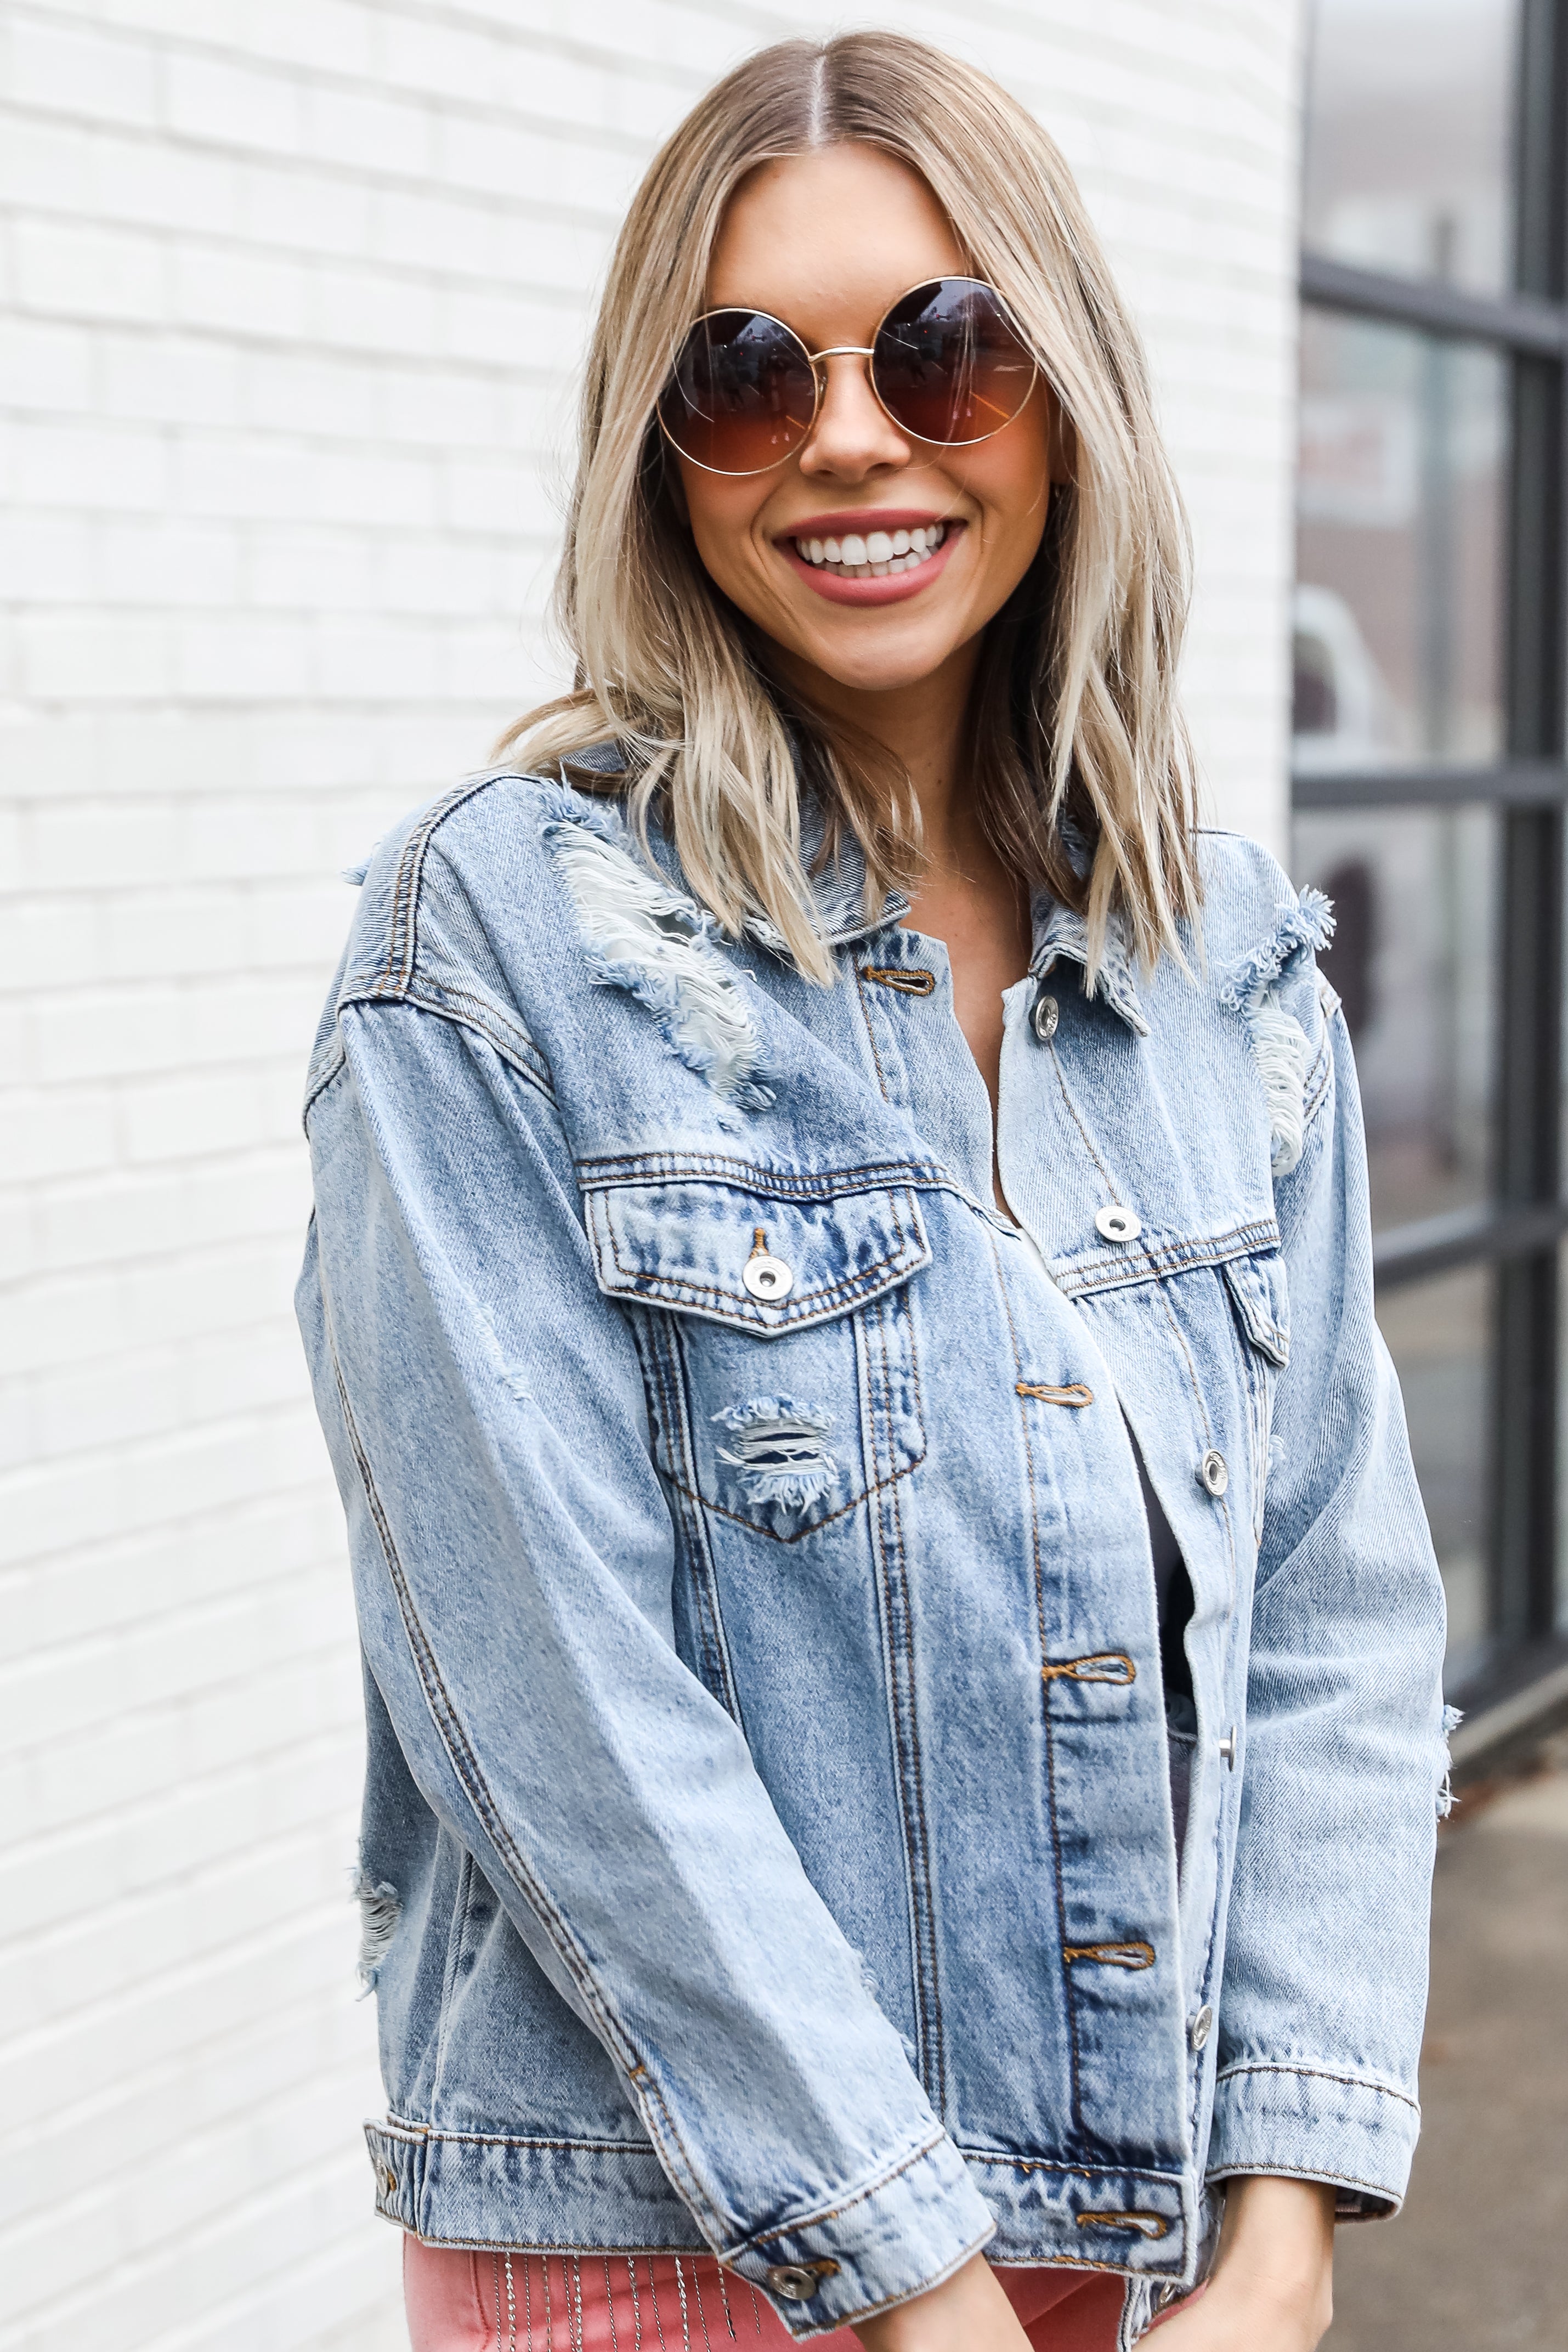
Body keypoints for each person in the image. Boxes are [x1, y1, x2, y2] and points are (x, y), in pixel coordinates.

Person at [297, 33, 1448, 2352]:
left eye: (944, 347)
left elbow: (1335, 1603)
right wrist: (917, 2290)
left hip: (1132, 2252)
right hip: (673, 2243)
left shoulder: (1217, 964)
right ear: (661, 449)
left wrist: (1287, 2220)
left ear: (1064, 392)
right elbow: (552, 1704)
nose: (851, 434)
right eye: (748, 373)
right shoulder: (498, 946)